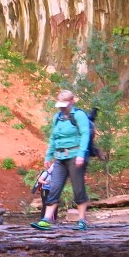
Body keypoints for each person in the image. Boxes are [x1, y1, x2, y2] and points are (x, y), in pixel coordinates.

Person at [32, 91, 92, 231]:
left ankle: (82, 220)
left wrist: (81, 154)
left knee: (78, 189)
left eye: (64, 104)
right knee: (54, 187)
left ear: (72, 101)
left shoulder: (79, 115)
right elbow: (53, 138)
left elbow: (85, 134)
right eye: (60, 105)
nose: (61, 108)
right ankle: (46, 219)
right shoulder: (57, 117)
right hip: (60, 158)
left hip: (75, 155)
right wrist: (48, 156)